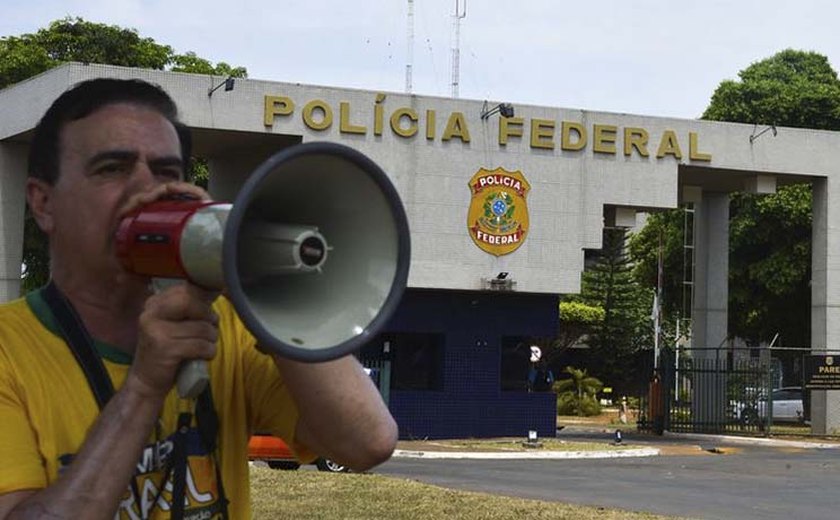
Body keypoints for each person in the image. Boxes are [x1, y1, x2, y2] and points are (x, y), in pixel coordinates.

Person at [0, 78, 398, 519]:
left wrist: (253, 285)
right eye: (112, 168)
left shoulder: (227, 322)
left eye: (166, 172)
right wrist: (145, 387)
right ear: (43, 203)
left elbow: (367, 442)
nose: (145, 190)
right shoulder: (9, 350)